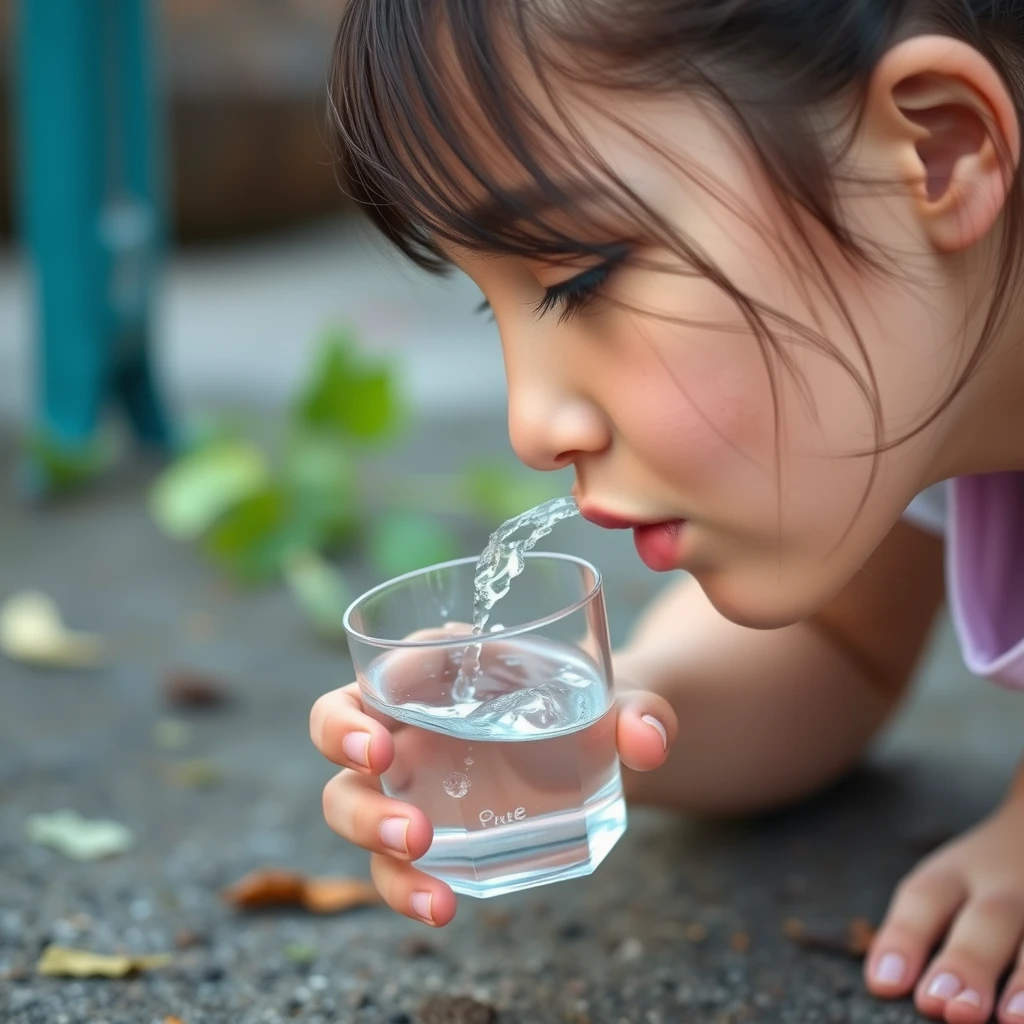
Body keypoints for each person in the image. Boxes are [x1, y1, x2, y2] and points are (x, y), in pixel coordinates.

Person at [308, 3, 1024, 1021]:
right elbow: (839, 649)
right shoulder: (917, 394)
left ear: (937, 152)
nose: (532, 424)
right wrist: (606, 718)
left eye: (579, 279)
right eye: (496, 304)